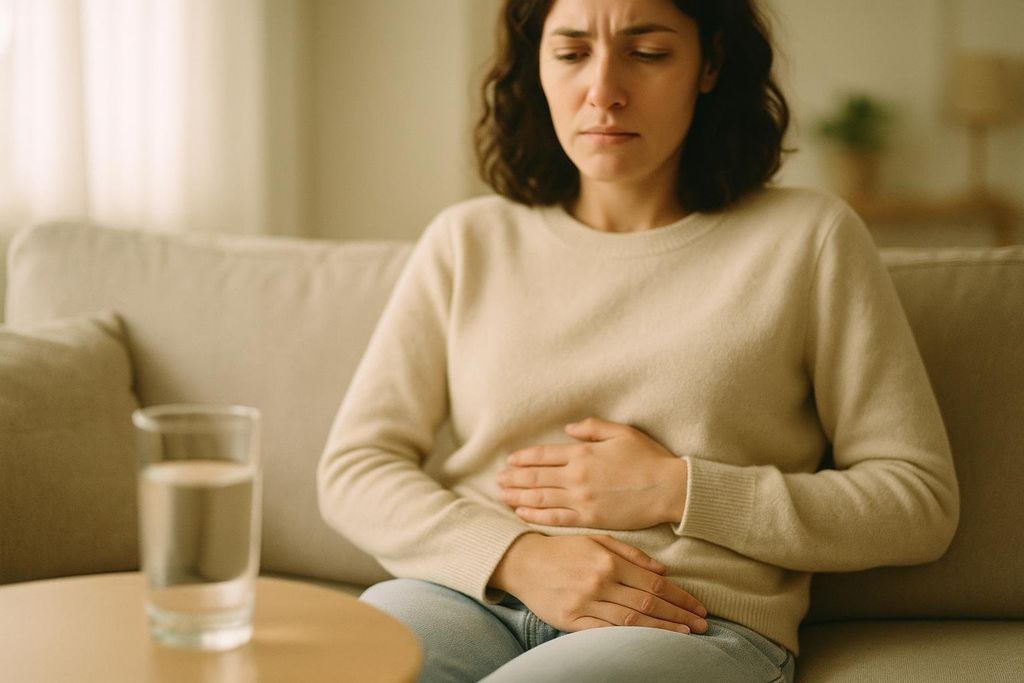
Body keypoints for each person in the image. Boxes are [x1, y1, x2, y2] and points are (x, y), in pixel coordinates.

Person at [316, 0, 960, 680]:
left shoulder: (810, 239)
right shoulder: (466, 240)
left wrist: (677, 490)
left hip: (689, 622)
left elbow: (916, 501)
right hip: (466, 596)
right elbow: (356, 466)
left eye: (647, 53)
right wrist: (517, 554)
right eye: (570, 54)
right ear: (536, 67)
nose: (603, 92)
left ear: (708, 64)